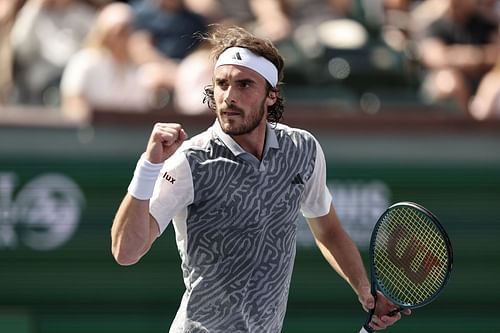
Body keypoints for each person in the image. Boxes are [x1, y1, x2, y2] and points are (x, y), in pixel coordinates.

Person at [111, 25, 410, 332]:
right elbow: (126, 252)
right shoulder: (189, 161)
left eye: (244, 85)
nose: (229, 96)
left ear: (271, 95)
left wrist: (364, 290)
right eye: (221, 84)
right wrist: (148, 168)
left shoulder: (302, 149)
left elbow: (329, 231)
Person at [60, 2, 164, 122]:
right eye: (119, 31)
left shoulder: (140, 69)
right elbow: (73, 104)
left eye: (128, 30)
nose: (123, 37)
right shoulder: (84, 62)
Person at [415, 0, 499, 115]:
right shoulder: (434, 26)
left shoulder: (486, 24)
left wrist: (457, 55)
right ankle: (465, 127)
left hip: (481, 93)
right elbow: (436, 58)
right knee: (449, 81)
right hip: (444, 87)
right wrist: (478, 56)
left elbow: (496, 54)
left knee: (494, 84)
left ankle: (481, 130)